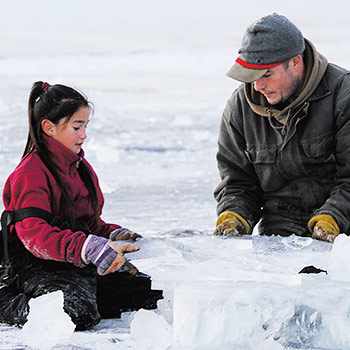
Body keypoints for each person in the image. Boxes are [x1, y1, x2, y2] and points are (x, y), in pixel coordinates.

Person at [0, 81, 163, 330]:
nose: (84, 134)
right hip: (33, 263)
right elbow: (34, 236)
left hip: (73, 259)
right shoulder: (30, 173)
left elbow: (89, 224)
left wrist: (112, 235)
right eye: (77, 126)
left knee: (144, 295)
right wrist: (90, 248)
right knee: (74, 313)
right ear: (49, 128)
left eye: (85, 126)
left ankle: (86, 293)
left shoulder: (80, 169)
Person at [213, 13, 350, 243]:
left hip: (344, 231)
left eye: (266, 74)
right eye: (251, 76)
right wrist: (234, 215)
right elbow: (237, 183)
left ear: (295, 62)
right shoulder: (239, 108)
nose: (258, 86)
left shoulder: (343, 95)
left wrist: (333, 218)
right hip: (279, 235)